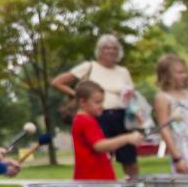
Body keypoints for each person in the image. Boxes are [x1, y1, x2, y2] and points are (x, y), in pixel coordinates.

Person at [52, 34, 141, 178]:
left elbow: (131, 95)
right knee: (101, 153)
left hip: (121, 116)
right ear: (99, 50)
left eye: (114, 48)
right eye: (106, 48)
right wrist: (78, 95)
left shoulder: (123, 71)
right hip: (100, 117)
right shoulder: (89, 67)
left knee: (130, 159)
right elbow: (57, 82)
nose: (111, 51)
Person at [69, 80, 145, 180]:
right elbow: (100, 146)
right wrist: (127, 138)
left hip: (96, 178)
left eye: (102, 102)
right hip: (94, 180)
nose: (102, 106)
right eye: (97, 102)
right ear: (83, 102)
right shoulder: (86, 121)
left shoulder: (85, 120)